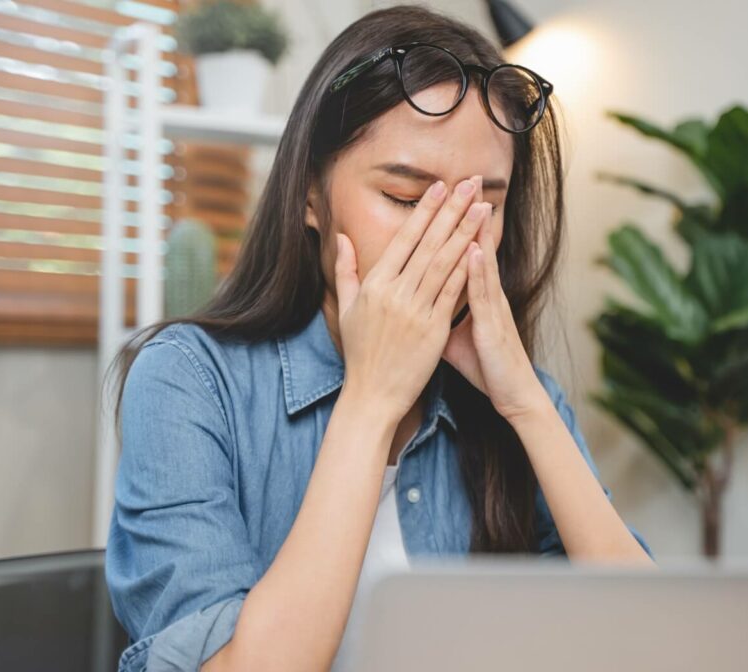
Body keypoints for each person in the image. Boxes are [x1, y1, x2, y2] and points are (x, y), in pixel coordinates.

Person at [104, 5, 656, 672]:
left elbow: (648, 647)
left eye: (483, 203)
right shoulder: (187, 380)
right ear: (311, 194)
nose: (446, 238)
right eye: (404, 197)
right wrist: (370, 401)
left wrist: (529, 409)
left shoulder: (518, 399)